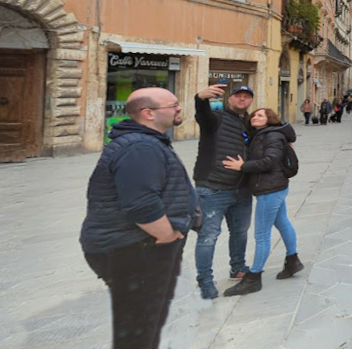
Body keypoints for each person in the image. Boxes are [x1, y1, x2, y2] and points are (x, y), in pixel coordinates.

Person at [81, 88, 196, 349]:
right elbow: (142, 204)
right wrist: (168, 236)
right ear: (148, 114)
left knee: (144, 323)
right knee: (137, 331)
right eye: (173, 105)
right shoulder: (141, 147)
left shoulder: (145, 142)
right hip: (133, 247)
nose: (179, 109)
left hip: (133, 245)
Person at [219, 108, 301, 296]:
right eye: (254, 115)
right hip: (275, 187)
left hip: (269, 189)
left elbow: (270, 161)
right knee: (283, 222)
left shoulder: (271, 136)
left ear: (269, 120)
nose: (255, 117)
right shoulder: (263, 134)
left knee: (262, 235)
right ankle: (293, 261)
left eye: (260, 115)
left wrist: (243, 166)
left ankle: (254, 277)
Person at [192, 83, 253, 300]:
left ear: (251, 101)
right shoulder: (216, 119)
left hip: (242, 189)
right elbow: (203, 117)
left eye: (246, 97)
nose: (242, 100)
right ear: (230, 99)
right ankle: (205, 282)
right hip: (213, 188)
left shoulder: (249, 122)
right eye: (238, 96)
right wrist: (200, 98)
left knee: (240, 232)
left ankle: (238, 268)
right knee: (208, 237)